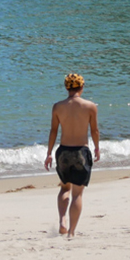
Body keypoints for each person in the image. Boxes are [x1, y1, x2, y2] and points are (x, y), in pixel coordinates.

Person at [44, 72, 100, 238]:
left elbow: (53, 131)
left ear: (66, 87)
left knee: (64, 188)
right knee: (77, 193)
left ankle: (62, 221)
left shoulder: (58, 107)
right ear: (82, 87)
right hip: (81, 152)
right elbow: (94, 130)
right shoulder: (90, 106)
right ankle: (72, 232)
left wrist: (48, 153)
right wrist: (97, 148)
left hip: (63, 151)